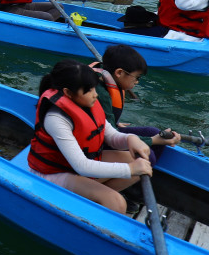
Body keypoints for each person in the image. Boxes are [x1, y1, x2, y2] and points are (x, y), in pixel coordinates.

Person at [27, 59, 153, 214]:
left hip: (77, 168)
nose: (95, 94)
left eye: (94, 88)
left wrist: (131, 139)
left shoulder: (88, 102)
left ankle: (88, 205)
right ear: (67, 93)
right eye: (88, 90)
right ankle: (97, 211)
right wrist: (129, 169)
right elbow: (81, 165)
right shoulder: (56, 118)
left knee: (138, 161)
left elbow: (111, 135)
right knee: (117, 203)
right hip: (55, 173)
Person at [91, 45, 181, 164]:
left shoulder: (104, 79)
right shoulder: (100, 93)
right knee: (148, 155)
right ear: (119, 73)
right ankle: (135, 173)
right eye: (136, 77)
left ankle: (141, 173)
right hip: (97, 141)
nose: (137, 82)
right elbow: (107, 136)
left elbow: (103, 120)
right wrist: (153, 141)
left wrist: (113, 121)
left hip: (106, 132)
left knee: (152, 132)